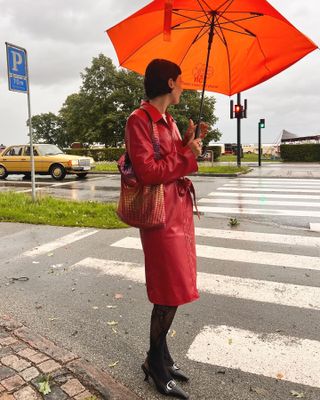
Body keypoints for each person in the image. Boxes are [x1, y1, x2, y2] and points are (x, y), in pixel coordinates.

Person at [125, 59, 207, 399]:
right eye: (181, 81)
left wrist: (187, 141)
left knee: (176, 285)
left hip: (177, 212)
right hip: (159, 217)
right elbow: (148, 172)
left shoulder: (169, 121)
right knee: (167, 292)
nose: (184, 87)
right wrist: (187, 155)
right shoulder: (139, 121)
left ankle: (163, 357)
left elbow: (169, 158)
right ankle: (154, 364)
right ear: (170, 82)